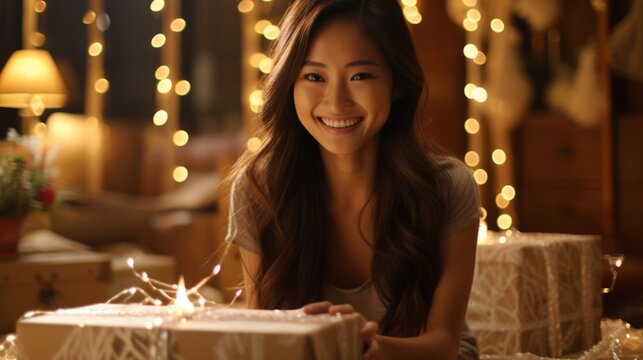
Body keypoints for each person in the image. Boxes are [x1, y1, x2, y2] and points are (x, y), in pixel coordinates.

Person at [224, 0, 481, 358]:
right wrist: (307, 334)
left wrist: (360, 345)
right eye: (314, 77)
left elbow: (444, 344)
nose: (336, 101)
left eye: (360, 76)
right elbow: (263, 337)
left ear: (397, 84)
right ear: (289, 85)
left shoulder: (447, 187)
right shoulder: (260, 191)